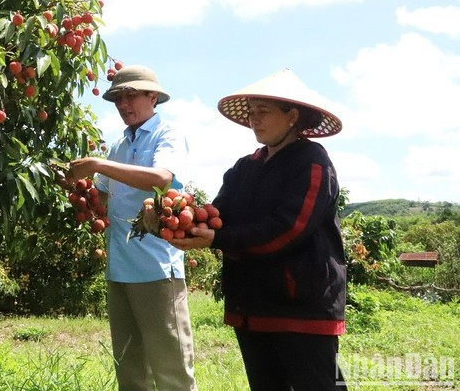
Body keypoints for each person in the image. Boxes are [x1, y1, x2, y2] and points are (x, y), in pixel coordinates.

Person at [169, 68, 347, 391]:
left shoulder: (313, 162)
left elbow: (289, 229)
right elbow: (219, 214)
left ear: (292, 116)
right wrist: (182, 218)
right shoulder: (244, 168)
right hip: (252, 306)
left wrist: (219, 238)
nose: (254, 119)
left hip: (301, 309)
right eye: (251, 112)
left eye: (263, 111)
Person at [65, 65, 197, 391]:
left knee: (172, 371)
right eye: (118, 99)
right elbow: (102, 202)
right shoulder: (119, 147)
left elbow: (162, 179)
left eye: (131, 96)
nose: (124, 105)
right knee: (130, 370)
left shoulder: (167, 135)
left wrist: (95, 164)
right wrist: (75, 188)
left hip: (155, 270)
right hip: (119, 269)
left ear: (153, 96)